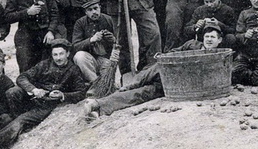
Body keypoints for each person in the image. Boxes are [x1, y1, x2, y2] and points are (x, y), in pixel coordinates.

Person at [81, 23, 224, 119]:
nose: (209, 40)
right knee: (154, 68)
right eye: (207, 36)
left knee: (139, 94)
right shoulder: (192, 45)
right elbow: (172, 53)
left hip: (174, 87)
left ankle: (99, 106)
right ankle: (130, 84)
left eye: (213, 37)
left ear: (219, 41)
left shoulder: (219, 57)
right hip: (165, 73)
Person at [0, 39, 87, 149]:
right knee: (12, 92)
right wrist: (34, 89)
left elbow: (81, 92)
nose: (58, 58)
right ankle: (15, 122)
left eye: (61, 54)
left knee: (20, 120)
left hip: (46, 106)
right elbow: (22, 78)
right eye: (55, 54)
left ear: (67, 54)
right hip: (33, 98)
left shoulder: (73, 70)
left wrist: (63, 95)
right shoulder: (44, 65)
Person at [4, 0, 59, 73]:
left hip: (44, 34)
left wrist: (51, 31)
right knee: (26, 69)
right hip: (25, 36)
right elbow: (8, 16)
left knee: (45, 69)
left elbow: (54, 12)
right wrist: (27, 12)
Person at [71, 0, 120, 89]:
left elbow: (119, 43)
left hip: (106, 59)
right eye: (90, 10)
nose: (94, 12)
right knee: (79, 56)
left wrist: (113, 40)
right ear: (85, 12)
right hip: (90, 59)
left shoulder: (109, 20)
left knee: (113, 83)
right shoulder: (80, 23)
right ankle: (97, 84)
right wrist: (91, 40)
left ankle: (105, 85)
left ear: (100, 8)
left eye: (95, 8)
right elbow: (75, 46)